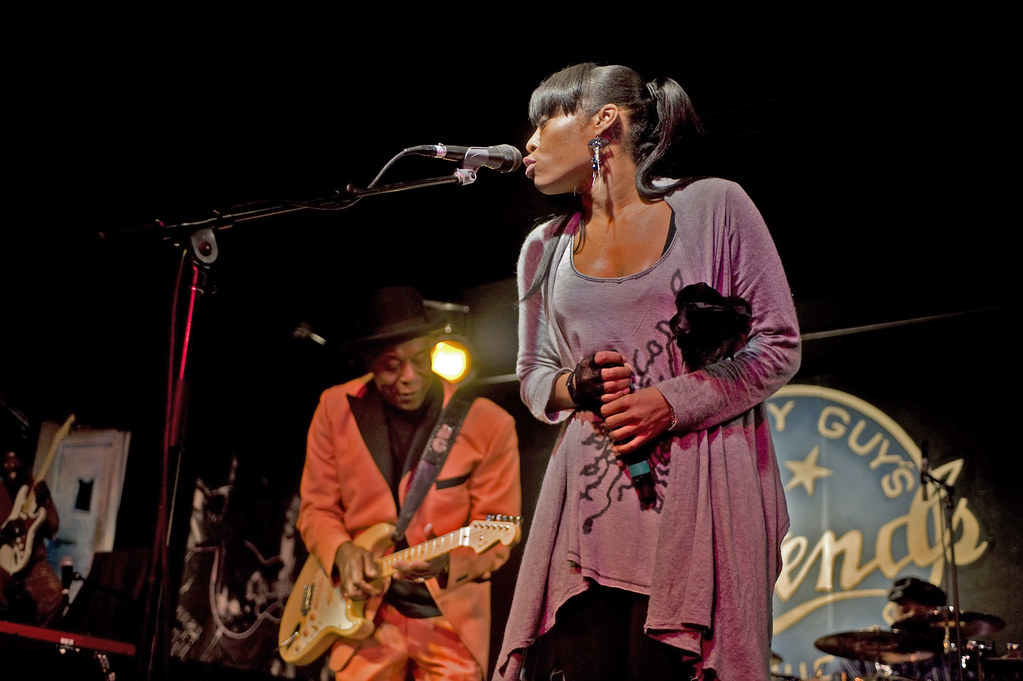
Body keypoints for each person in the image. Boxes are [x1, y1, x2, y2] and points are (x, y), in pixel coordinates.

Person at [492, 63, 801, 681]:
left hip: (702, 495)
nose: (529, 142)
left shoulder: (714, 207)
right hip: (590, 516)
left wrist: (671, 402)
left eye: (544, 120)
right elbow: (532, 377)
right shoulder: (543, 248)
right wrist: (573, 385)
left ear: (603, 121)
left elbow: (778, 344)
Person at [297, 285, 522, 681]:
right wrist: (342, 552)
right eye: (391, 365)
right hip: (363, 617)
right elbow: (317, 508)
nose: (409, 377)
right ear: (368, 360)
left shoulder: (490, 423)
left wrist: (447, 561)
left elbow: (500, 528)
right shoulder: (334, 408)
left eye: (420, 359)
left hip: (451, 622)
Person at [828, 577, 954, 681]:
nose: (909, 616)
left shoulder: (951, 659)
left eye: (921, 611)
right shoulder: (862, 658)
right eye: (903, 608)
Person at [0, 428, 64, 627]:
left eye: (16, 459)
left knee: (55, 594)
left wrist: (46, 500)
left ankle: (35, 639)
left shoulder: (35, 489)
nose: (12, 465)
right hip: (1, 563)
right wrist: (4, 534)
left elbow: (53, 528)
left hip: (33, 565)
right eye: (7, 460)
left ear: (25, 463)